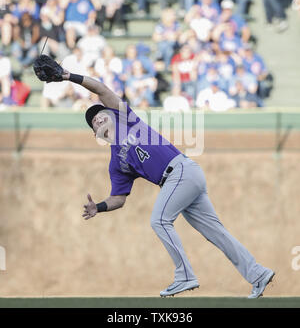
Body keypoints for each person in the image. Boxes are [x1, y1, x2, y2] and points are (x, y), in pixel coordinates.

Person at [33, 54, 276, 298]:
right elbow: (119, 198)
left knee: (159, 221)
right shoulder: (116, 163)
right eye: (94, 123)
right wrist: (99, 206)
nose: (98, 120)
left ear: (112, 114)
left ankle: (185, 276)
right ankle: (257, 274)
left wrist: (67, 76)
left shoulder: (127, 119)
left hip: (181, 171)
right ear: (96, 133)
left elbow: (99, 88)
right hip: (179, 180)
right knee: (216, 233)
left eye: (100, 115)